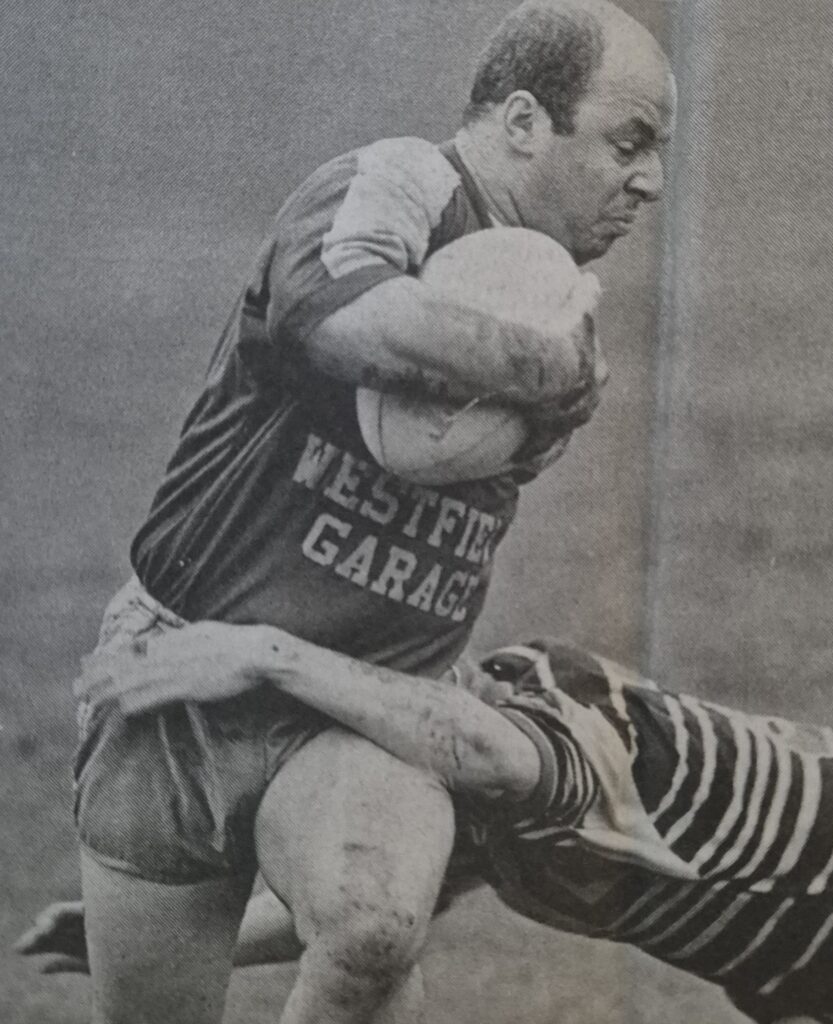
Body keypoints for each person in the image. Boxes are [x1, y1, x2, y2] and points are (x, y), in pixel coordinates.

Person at [72, 2, 676, 1021]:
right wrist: (545, 370)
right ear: (522, 121)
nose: (650, 180)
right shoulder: (397, 184)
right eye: (629, 142)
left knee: (374, 925)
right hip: (186, 671)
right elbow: (340, 319)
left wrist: (554, 365)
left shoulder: (558, 295)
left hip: (364, 703)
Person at [25, 620, 833, 1024]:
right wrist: (138, 942)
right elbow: (344, 920)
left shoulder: (554, 726)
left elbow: (488, 749)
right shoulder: (484, 817)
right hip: (825, 974)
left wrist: (267, 655)